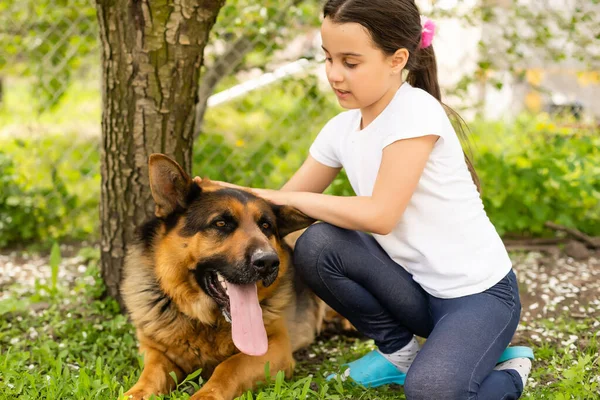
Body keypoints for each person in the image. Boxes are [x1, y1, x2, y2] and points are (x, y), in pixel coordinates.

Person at [195, 0, 534, 398]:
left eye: (350, 63)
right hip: (412, 293)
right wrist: (220, 197)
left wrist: (271, 193)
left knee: (431, 392)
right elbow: (282, 212)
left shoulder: (416, 112)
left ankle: (511, 367)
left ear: (397, 59)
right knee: (317, 243)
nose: (334, 75)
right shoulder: (341, 129)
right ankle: (398, 352)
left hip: (478, 299)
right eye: (328, 59)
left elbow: (380, 215)